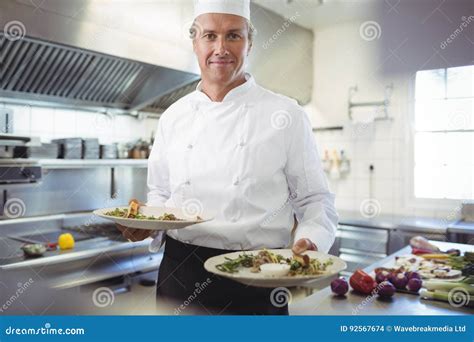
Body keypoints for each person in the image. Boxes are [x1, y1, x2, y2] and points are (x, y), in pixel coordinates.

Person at [117, 0, 338, 315]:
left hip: (257, 277)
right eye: (209, 36)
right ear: (195, 42)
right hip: (180, 276)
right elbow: (161, 195)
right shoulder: (172, 117)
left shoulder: (286, 114)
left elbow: (316, 200)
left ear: (250, 44)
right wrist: (147, 226)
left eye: (233, 35)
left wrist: (310, 243)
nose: (220, 48)